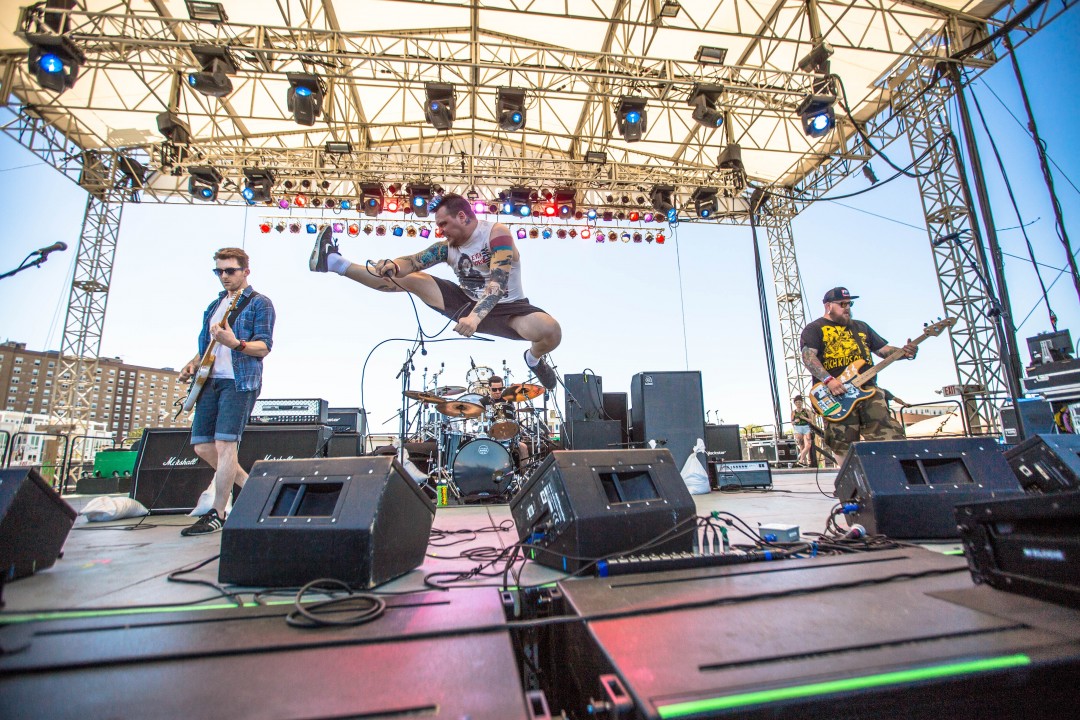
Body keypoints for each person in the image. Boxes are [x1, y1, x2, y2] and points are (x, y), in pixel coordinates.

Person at [309, 193, 562, 389]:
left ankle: (533, 359)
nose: (441, 230)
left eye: (444, 224)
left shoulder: (496, 234)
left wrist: (475, 319)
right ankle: (333, 262)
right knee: (410, 279)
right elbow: (413, 261)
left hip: (509, 308)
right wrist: (394, 265)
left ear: (462, 217)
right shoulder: (445, 247)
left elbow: (498, 284)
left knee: (550, 331)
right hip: (465, 302)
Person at [177, 248, 275, 536]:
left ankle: (218, 513)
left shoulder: (259, 303)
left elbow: (264, 347)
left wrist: (235, 343)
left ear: (246, 271)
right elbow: (207, 348)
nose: (224, 276)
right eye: (219, 271)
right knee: (202, 446)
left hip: (238, 381)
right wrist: (192, 363)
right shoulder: (214, 306)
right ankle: (256, 489)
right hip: (209, 381)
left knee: (225, 445)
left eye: (230, 270)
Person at [800, 287, 916, 465]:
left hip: (868, 390)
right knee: (842, 442)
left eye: (849, 304)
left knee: (888, 434)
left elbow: (883, 350)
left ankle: (892, 472)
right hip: (836, 394)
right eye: (842, 304)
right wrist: (828, 380)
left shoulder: (861, 327)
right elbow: (808, 357)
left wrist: (904, 352)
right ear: (828, 306)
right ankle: (851, 478)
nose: (847, 307)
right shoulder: (815, 328)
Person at [482, 375, 530, 469]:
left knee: (523, 447)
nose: (498, 391)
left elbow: (513, 418)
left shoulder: (508, 400)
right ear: (489, 388)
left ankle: (523, 475)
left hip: (507, 435)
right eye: (494, 389)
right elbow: (479, 420)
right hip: (490, 436)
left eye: (500, 389)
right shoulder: (483, 401)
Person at [791, 395, 813, 467]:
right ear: (795, 403)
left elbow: (811, 420)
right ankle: (804, 462)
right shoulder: (793, 412)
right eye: (797, 402)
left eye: (799, 402)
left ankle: (800, 460)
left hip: (806, 427)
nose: (798, 403)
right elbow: (792, 422)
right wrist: (795, 421)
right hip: (798, 428)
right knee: (801, 445)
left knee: (808, 445)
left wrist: (804, 418)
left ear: (802, 402)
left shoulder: (806, 410)